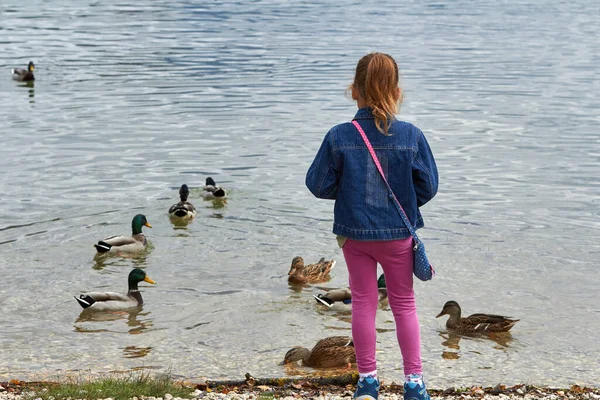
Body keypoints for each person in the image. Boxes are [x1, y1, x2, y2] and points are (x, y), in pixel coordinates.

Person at [305, 52, 438, 400]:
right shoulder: (411, 135)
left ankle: (367, 382)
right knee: (404, 303)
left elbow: (318, 185)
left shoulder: (338, 136)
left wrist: (348, 195)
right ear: (395, 91)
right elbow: (429, 186)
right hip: (397, 234)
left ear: (354, 90)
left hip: (354, 234)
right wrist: (404, 204)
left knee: (363, 302)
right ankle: (414, 384)